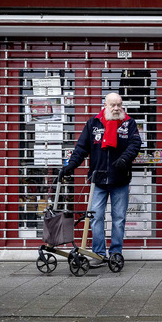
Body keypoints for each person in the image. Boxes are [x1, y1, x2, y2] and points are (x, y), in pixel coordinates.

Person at [59, 93, 141, 264]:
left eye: (119, 105)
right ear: (105, 105)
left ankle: (116, 253)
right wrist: (70, 166)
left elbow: (135, 144)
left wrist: (125, 159)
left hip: (120, 180)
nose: (117, 108)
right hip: (98, 180)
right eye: (113, 105)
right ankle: (99, 253)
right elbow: (81, 148)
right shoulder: (93, 123)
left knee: (118, 219)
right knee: (96, 217)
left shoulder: (129, 123)